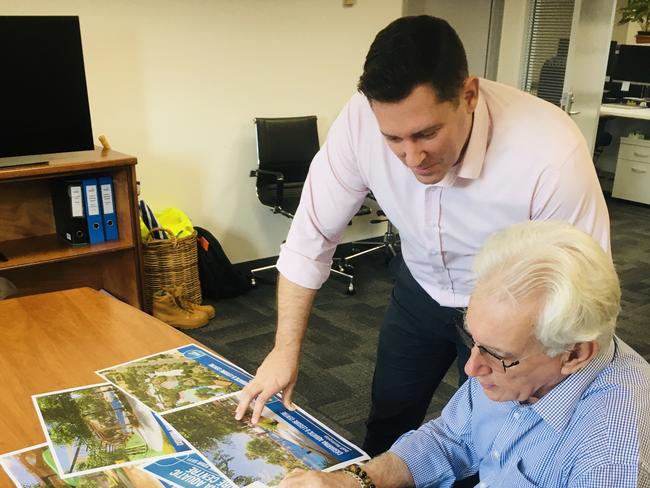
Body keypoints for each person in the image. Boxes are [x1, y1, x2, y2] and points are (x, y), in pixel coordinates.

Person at [235, 15, 611, 456]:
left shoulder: (549, 151)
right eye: (393, 138)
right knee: (390, 415)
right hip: (419, 287)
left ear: (468, 95)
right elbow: (310, 237)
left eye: (427, 134)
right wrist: (284, 350)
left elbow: (586, 296)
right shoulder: (359, 122)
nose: (412, 158)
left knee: (492, 434)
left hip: (508, 310)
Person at [278, 221, 650, 488]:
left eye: (497, 354)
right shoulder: (511, 364)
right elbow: (451, 438)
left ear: (574, 354)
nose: (472, 368)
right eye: (471, 337)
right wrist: (356, 481)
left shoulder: (613, 456)